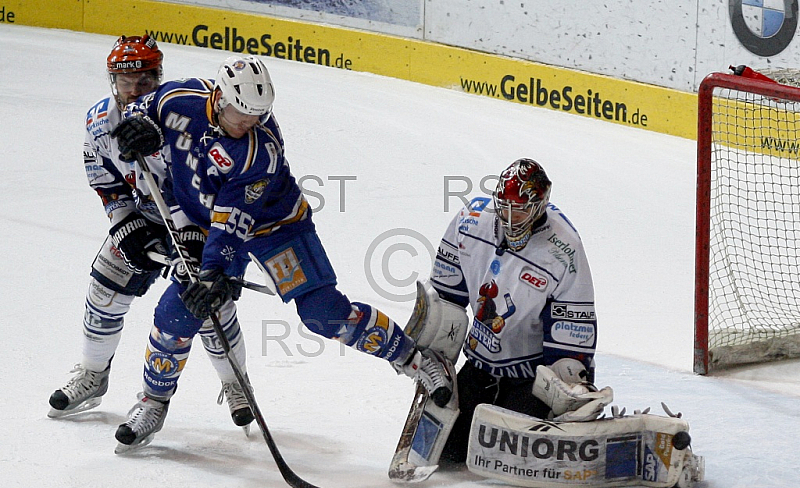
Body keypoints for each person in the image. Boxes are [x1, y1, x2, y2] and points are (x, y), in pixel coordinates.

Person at [108, 55, 452, 449]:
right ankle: (153, 403)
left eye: (258, 114)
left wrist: (214, 272)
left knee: (323, 312)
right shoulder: (177, 99)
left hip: (275, 227)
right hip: (204, 222)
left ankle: (417, 360)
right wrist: (138, 126)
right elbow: (141, 108)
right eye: (242, 114)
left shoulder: (260, 151)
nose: (249, 122)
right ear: (219, 98)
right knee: (177, 311)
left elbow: (232, 223)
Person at [48, 36, 255, 432]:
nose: (133, 91)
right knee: (104, 290)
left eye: (143, 82)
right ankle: (93, 374)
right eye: (124, 83)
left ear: (158, 77)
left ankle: (235, 382)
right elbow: (104, 179)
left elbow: (196, 186)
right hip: (144, 216)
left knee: (208, 306)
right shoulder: (98, 121)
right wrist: (125, 223)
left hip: (201, 222)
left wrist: (192, 237)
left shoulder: (180, 120)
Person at [429, 158, 599, 463]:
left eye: (519, 209)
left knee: (516, 460)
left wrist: (568, 386)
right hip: (479, 366)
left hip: (530, 376)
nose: (510, 218)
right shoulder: (469, 220)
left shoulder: (565, 250)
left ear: (540, 205)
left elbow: (570, 331)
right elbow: (445, 300)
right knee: (446, 453)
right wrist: (432, 358)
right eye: (504, 207)